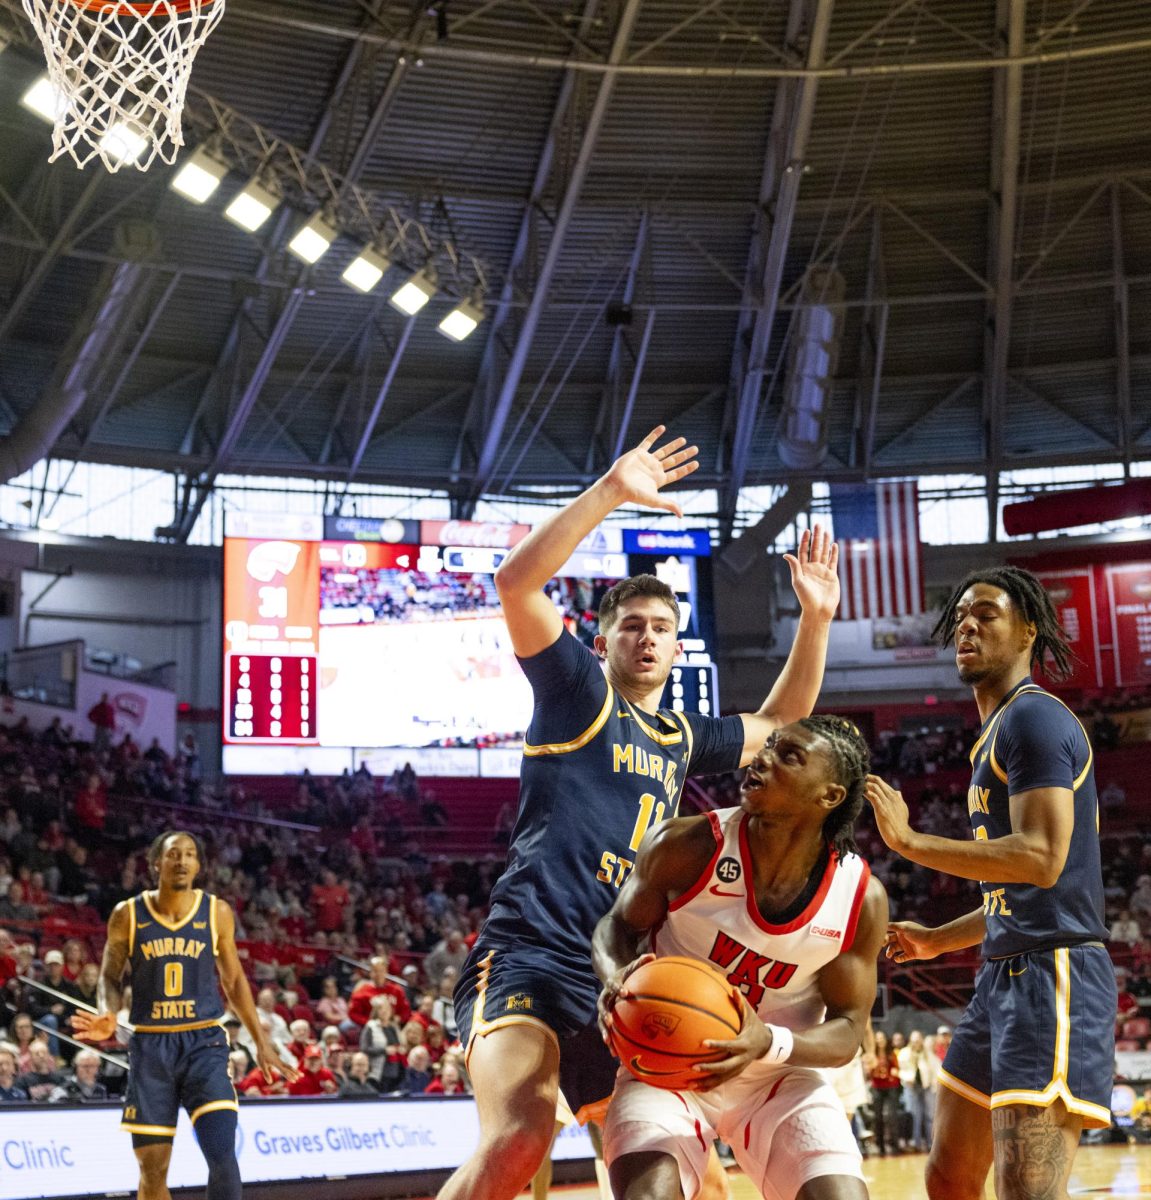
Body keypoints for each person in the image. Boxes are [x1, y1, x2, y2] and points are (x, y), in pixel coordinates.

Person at [440, 427, 840, 1200]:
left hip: (615, 973)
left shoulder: (680, 736)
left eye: (661, 628)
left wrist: (815, 620)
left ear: (677, 645)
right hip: (526, 954)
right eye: (632, 626)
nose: (647, 638)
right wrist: (611, 492)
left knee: (693, 1181)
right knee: (521, 1138)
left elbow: (782, 726)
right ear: (603, 638)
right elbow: (516, 584)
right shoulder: (577, 695)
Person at [867, 565, 1116, 1200]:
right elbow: (1014, 888)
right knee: (949, 1175)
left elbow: (1041, 859)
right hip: (999, 973)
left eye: (987, 613)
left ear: (1029, 629)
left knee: (1025, 1192)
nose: (967, 625)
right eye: (960, 616)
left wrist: (909, 843)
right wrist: (938, 940)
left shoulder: (1034, 721)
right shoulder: (994, 734)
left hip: (1051, 973)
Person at [593, 715, 887, 1199]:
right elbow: (617, 927)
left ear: (830, 796)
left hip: (778, 1079)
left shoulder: (858, 897)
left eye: (789, 756)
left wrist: (766, 1043)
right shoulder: (686, 846)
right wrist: (616, 980)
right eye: (767, 746)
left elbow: (849, 1030)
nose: (763, 759)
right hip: (668, 1066)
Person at [74, 831, 299, 1200]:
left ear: (198, 865)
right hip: (150, 1047)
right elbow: (109, 977)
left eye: (190, 854)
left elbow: (235, 981)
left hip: (204, 1043)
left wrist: (261, 1041)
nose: (181, 861)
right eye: (173, 854)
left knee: (222, 1152)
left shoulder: (216, 912)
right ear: (155, 863)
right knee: (152, 1168)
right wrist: (108, 1013)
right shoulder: (127, 914)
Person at [867, 1029, 901, 1156]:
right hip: (877, 1086)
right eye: (877, 1038)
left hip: (891, 1086)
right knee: (878, 1117)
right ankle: (880, 1146)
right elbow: (869, 1071)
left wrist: (894, 1073)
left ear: (886, 1040)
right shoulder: (872, 1054)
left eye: (882, 1038)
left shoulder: (891, 1053)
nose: (880, 1040)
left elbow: (896, 1068)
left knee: (892, 1116)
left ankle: (895, 1145)